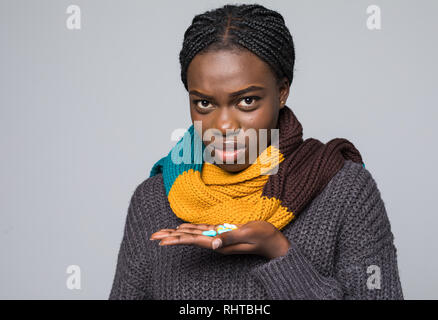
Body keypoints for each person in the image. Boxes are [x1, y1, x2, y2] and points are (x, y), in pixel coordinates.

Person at [109, 3, 403, 300]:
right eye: (204, 103)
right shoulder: (153, 200)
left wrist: (280, 253)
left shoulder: (345, 191)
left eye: (247, 101)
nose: (223, 125)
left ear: (282, 91)